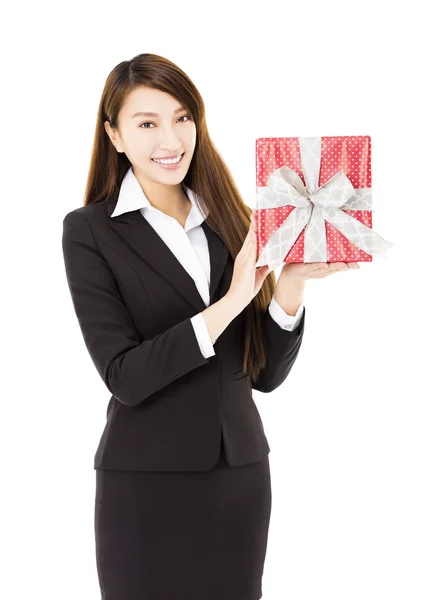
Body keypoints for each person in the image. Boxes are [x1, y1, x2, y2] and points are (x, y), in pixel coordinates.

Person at [61, 52, 359, 600]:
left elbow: (264, 376)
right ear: (115, 135)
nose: (169, 139)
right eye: (146, 123)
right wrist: (230, 301)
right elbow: (124, 376)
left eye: (182, 118)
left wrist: (290, 285)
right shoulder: (89, 232)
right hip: (143, 482)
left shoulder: (233, 219)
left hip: (239, 476)